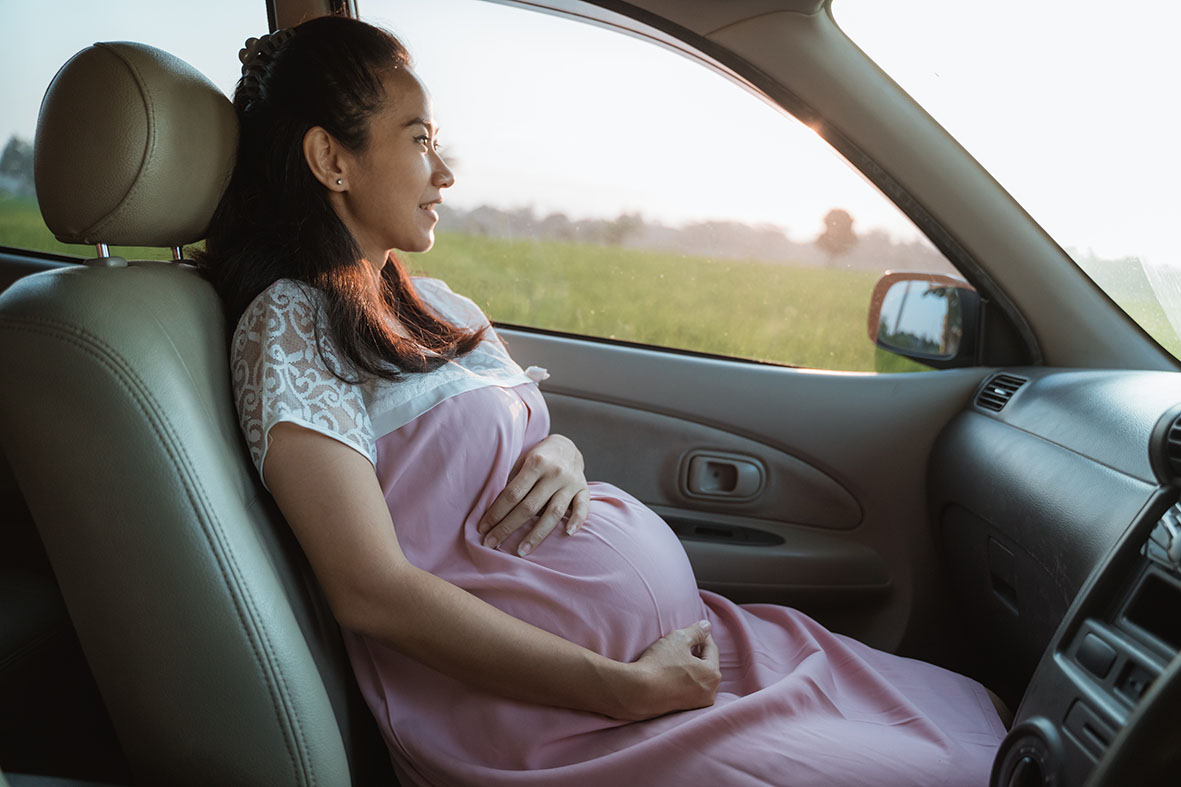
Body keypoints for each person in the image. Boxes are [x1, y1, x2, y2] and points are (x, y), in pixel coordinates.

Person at [199, 15, 1005, 786]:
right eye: (418, 141)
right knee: (965, 768)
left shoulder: (434, 302)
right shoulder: (288, 324)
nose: (443, 172)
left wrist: (562, 452)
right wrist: (624, 688)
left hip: (672, 660)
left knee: (981, 718)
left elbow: (499, 444)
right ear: (330, 159)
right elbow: (369, 590)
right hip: (556, 718)